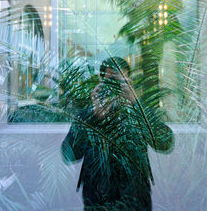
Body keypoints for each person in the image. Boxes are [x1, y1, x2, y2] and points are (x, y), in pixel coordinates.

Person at [61, 57, 173, 211]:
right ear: (100, 82)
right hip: (97, 201)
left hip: (135, 200)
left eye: (119, 82)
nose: (115, 87)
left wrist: (136, 104)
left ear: (129, 82)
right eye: (110, 81)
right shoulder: (88, 116)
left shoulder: (140, 114)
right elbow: (69, 155)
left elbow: (165, 143)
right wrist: (93, 115)